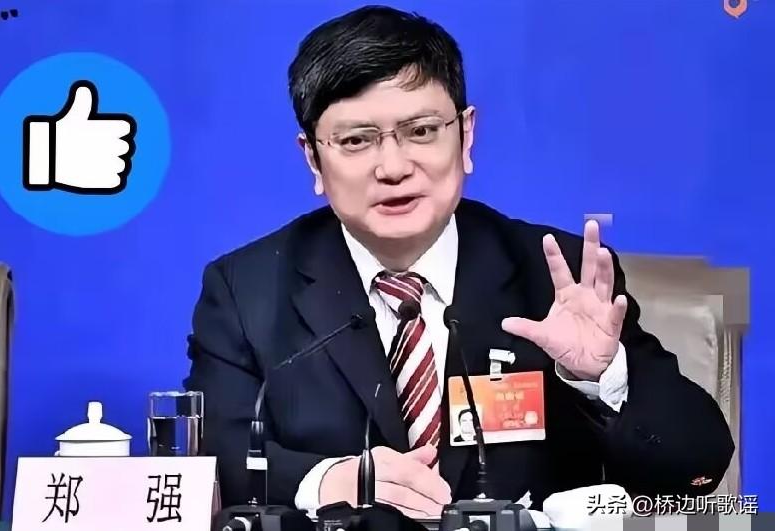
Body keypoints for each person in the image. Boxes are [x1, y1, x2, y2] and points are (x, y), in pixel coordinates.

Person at [184, 5, 734, 519]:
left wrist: (603, 376)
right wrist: (323, 481)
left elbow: (698, 470)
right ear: (313, 158)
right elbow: (210, 457)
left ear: (466, 135)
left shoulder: (557, 274)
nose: (393, 167)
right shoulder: (246, 289)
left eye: (421, 131)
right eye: (356, 141)